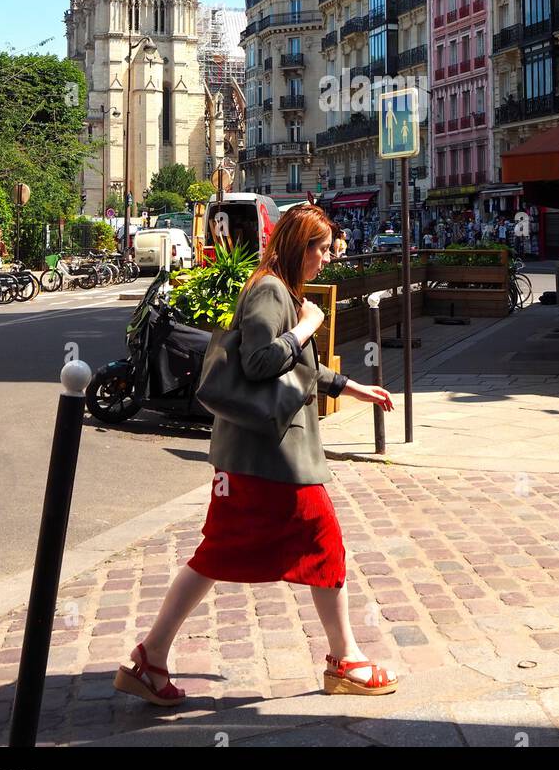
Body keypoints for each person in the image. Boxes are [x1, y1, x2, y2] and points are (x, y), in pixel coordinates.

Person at [113, 204, 398, 707]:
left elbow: (298, 372)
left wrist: (349, 386)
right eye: (322, 249)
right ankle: (346, 658)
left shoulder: (279, 290)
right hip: (272, 458)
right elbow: (263, 362)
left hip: (255, 458)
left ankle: (150, 658)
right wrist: (308, 324)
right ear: (300, 247)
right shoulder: (271, 291)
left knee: (218, 553)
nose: (327, 260)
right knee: (322, 545)